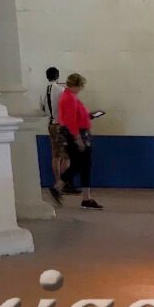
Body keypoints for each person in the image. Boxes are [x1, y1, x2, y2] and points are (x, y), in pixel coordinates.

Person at [58, 73, 102, 210]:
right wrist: (78, 140)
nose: (81, 89)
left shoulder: (69, 97)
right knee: (81, 164)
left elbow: (75, 116)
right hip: (78, 135)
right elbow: (71, 121)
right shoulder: (69, 98)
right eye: (81, 86)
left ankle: (86, 198)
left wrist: (87, 116)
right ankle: (58, 186)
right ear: (76, 85)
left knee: (83, 165)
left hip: (79, 133)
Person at [41, 66, 69, 204]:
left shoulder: (43, 91)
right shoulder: (62, 90)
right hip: (61, 125)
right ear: (58, 76)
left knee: (55, 156)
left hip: (50, 124)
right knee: (67, 156)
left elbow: (42, 108)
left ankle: (57, 181)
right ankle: (62, 183)